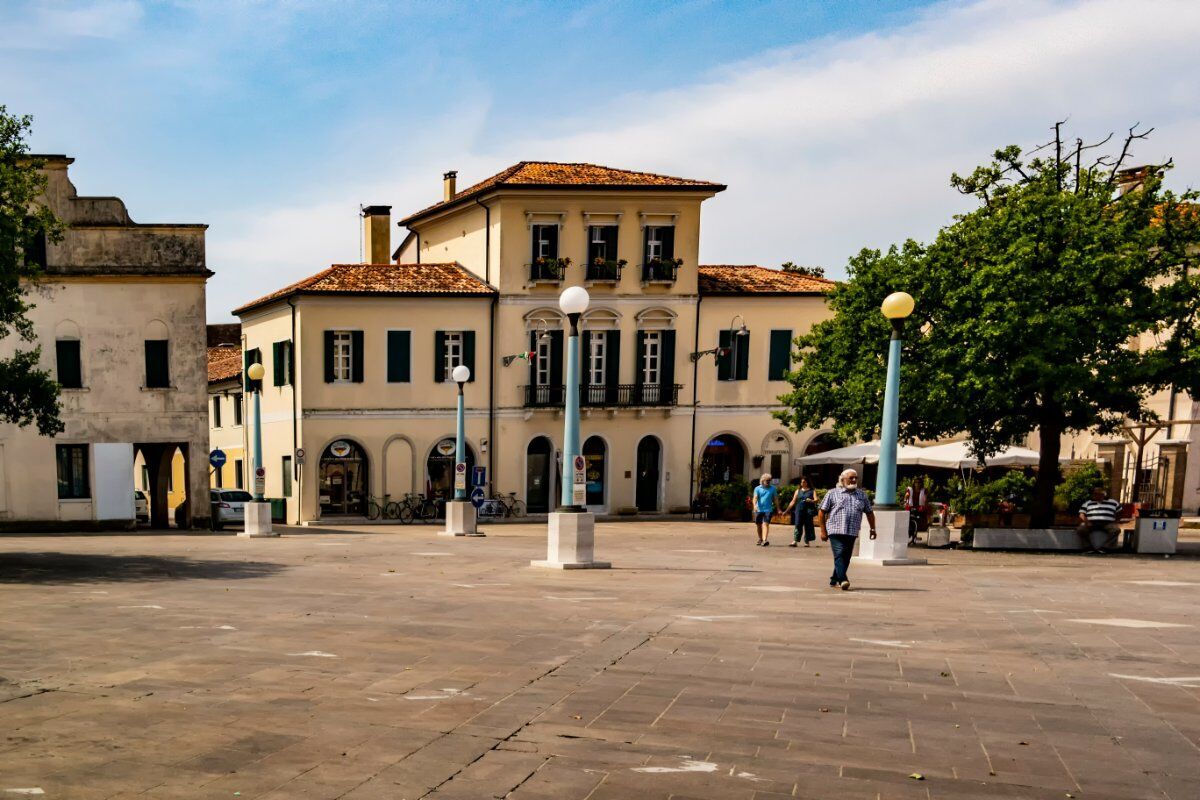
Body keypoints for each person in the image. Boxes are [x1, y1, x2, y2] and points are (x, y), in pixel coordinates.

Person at [817, 468, 876, 590]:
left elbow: (869, 512)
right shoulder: (832, 493)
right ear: (842, 479)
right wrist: (823, 531)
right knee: (839, 554)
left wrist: (873, 529)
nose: (854, 480)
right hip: (835, 530)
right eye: (851, 478)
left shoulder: (861, 495)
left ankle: (834, 579)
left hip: (852, 531)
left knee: (846, 557)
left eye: (855, 478)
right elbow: (822, 512)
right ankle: (843, 579)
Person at [1077, 486, 1122, 554]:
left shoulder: (1113, 502)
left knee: (1116, 530)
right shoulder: (1088, 503)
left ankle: (1105, 547)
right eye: (1095, 493)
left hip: (1107, 523)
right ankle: (1088, 547)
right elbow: (1081, 514)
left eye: (1099, 493)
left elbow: (1120, 512)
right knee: (1081, 529)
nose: (1096, 495)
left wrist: (1116, 521)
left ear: (1104, 494)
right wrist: (1087, 522)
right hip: (1091, 523)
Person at [784, 477, 818, 547]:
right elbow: (793, 501)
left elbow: (816, 500)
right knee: (798, 524)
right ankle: (795, 541)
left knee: (808, 525)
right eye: (802, 482)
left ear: (807, 482)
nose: (803, 483)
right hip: (799, 510)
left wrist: (811, 501)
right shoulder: (798, 491)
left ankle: (807, 541)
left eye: (804, 482)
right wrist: (786, 511)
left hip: (808, 510)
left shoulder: (812, 491)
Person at [750, 473, 780, 546]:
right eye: (767, 480)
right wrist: (754, 506)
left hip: (768, 509)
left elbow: (775, 499)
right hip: (759, 509)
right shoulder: (757, 488)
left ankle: (764, 540)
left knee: (766, 524)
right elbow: (755, 498)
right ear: (762, 480)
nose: (768, 482)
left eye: (769, 480)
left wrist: (778, 508)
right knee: (758, 525)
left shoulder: (773, 488)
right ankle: (760, 539)